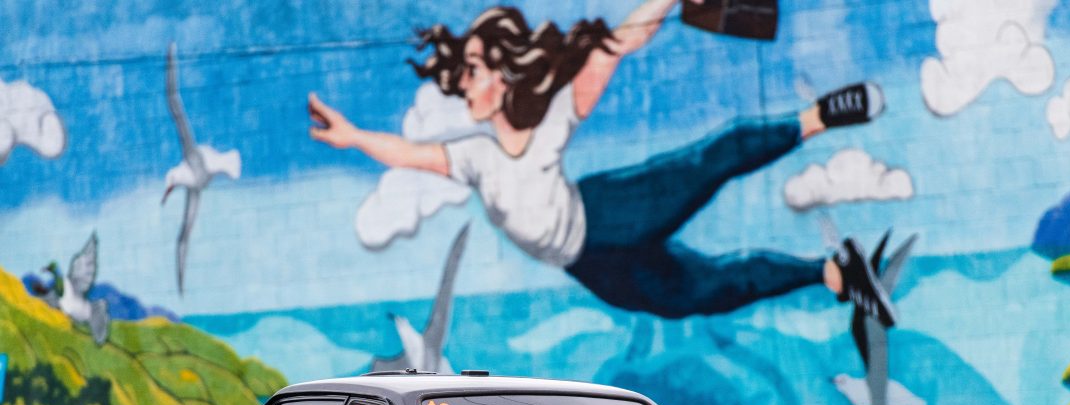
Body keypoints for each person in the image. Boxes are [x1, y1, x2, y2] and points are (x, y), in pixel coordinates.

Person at [308, 0, 890, 320]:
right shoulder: (475, 156)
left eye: (474, 69)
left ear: (504, 73)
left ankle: (818, 116)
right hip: (589, 263)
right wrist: (354, 137)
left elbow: (617, 45)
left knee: (703, 165)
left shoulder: (549, 121)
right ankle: (836, 272)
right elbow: (409, 154)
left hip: (607, 212)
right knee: (698, 293)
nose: (463, 81)